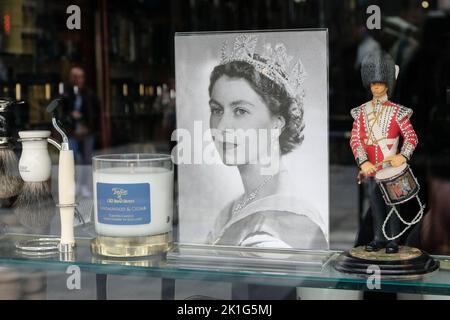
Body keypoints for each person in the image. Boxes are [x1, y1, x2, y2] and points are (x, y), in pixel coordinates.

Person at [205, 34, 327, 249]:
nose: (221, 126)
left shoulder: (281, 225)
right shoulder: (232, 208)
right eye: (217, 110)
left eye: (240, 111)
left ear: (277, 123)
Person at [350, 50, 418, 254]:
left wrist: (403, 155)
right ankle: (379, 238)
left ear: (387, 84)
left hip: (390, 168)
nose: (376, 87)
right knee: (376, 206)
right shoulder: (361, 113)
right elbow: (355, 139)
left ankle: (394, 240)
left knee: (393, 206)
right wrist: (363, 163)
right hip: (372, 169)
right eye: (373, 83)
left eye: (379, 83)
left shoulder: (398, 112)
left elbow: (411, 137)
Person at [62, 66, 99, 165]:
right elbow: (61, 113)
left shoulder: (89, 94)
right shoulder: (65, 94)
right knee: (71, 160)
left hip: (87, 132)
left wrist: (89, 126)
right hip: (72, 132)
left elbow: (95, 112)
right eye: (75, 77)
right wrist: (71, 114)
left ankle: (86, 180)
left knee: (87, 160)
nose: (79, 80)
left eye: (81, 77)